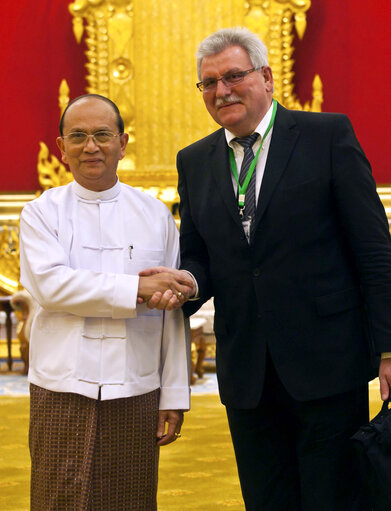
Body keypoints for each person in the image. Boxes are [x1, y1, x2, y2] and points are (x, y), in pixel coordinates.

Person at [141, 28, 391, 510]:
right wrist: (188, 281)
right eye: (209, 83)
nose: (222, 91)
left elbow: (375, 252)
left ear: (267, 77)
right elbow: (199, 255)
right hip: (247, 371)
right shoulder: (195, 161)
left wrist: (389, 348)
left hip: (327, 363)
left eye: (234, 76)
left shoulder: (326, 135)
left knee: (333, 499)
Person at [19, 93, 192, 511]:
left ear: (123, 143)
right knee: (56, 498)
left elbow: (171, 313)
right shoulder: (41, 213)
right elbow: (52, 287)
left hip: (135, 383)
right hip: (61, 384)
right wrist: (137, 289)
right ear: (61, 148)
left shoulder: (155, 215)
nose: (90, 146)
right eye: (78, 136)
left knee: (129, 499)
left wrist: (173, 394)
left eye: (102, 134)